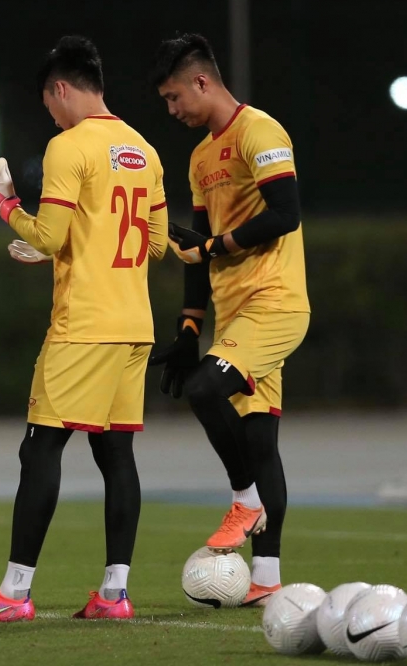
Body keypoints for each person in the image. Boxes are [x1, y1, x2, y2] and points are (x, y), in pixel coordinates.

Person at [0, 36, 168, 623]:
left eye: (50, 103)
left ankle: (15, 594)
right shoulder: (144, 150)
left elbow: (46, 234)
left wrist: (3, 206)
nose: (50, 113)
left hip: (86, 324)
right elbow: (155, 242)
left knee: (40, 446)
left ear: (62, 89)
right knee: (115, 453)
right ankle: (113, 594)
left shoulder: (68, 146)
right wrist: (72, 246)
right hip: (134, 324)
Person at [148, 32, 309, 607]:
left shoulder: (259, 131)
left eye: (173, 98)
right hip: (235, 314)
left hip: (276, 304)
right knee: (260, 440)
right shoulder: (198, 157)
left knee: (203, 390)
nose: (172, 111)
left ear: (201, 81)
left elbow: (286, 214)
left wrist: (216, 245)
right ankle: (266, 582)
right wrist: (190, 326)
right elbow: (195, 250)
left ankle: (246, 499)